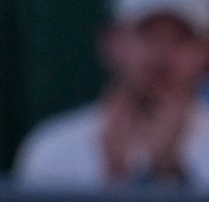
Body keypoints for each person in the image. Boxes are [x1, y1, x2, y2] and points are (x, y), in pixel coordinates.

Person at [15, 0, 209, 189]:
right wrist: (114, 175)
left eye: (180, 38)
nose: (161, 53)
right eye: (147, 35)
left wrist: (169, 174)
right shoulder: (52, 150)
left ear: (204, 51)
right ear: (111, 42)